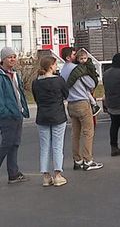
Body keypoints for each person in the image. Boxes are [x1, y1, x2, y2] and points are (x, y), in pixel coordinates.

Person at [62, 48, 103, 171]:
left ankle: (77, 160)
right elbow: (91, 84)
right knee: (88, 132)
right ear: (69, 57)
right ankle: (88, 160)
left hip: (71, 103)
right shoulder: (77, 69)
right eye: (74, 54)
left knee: (75, 133)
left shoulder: (63, 69)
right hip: (82, 102)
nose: (77, 56)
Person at [31, 56, 69, 187]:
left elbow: (36, 98)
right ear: (51, 66)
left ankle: (46, 176)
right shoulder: (59, 80)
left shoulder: (36, 82)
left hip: (42, 116)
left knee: (44, 146)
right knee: (57, 145)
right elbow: (66, 94)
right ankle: (58, 174)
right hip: (58, 115)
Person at [0, 47, 30, 184]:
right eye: (9, 57)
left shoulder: (15, 74)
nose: (12, 59)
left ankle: (13, 173)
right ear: (2, 59)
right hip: (7, 116)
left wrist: (23, 109)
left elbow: (20, 93)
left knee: (15, 144)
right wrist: (5, 112)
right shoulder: (1, 76)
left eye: (14, 56)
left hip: (18, 113)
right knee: (6, 144)